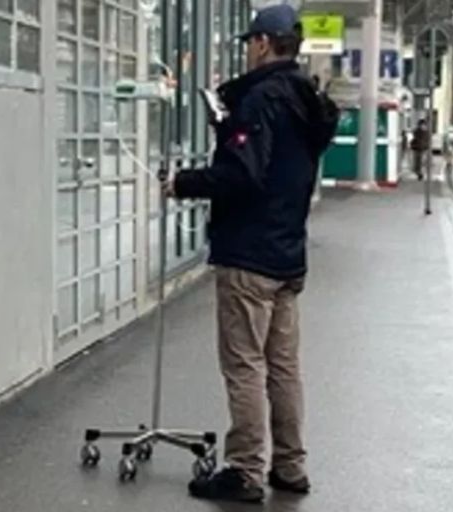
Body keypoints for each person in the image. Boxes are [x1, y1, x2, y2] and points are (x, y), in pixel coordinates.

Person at [163, 3, 338, 504]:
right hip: (287, 254)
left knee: (244, 364)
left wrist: (182, 182)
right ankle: (290, 467)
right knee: (283, 366)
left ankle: (244, 472)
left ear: (263, 43)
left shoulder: (261, 99)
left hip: (250, 255)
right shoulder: (307, 99)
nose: (246, 50)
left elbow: (243, 174)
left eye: (248, 42)